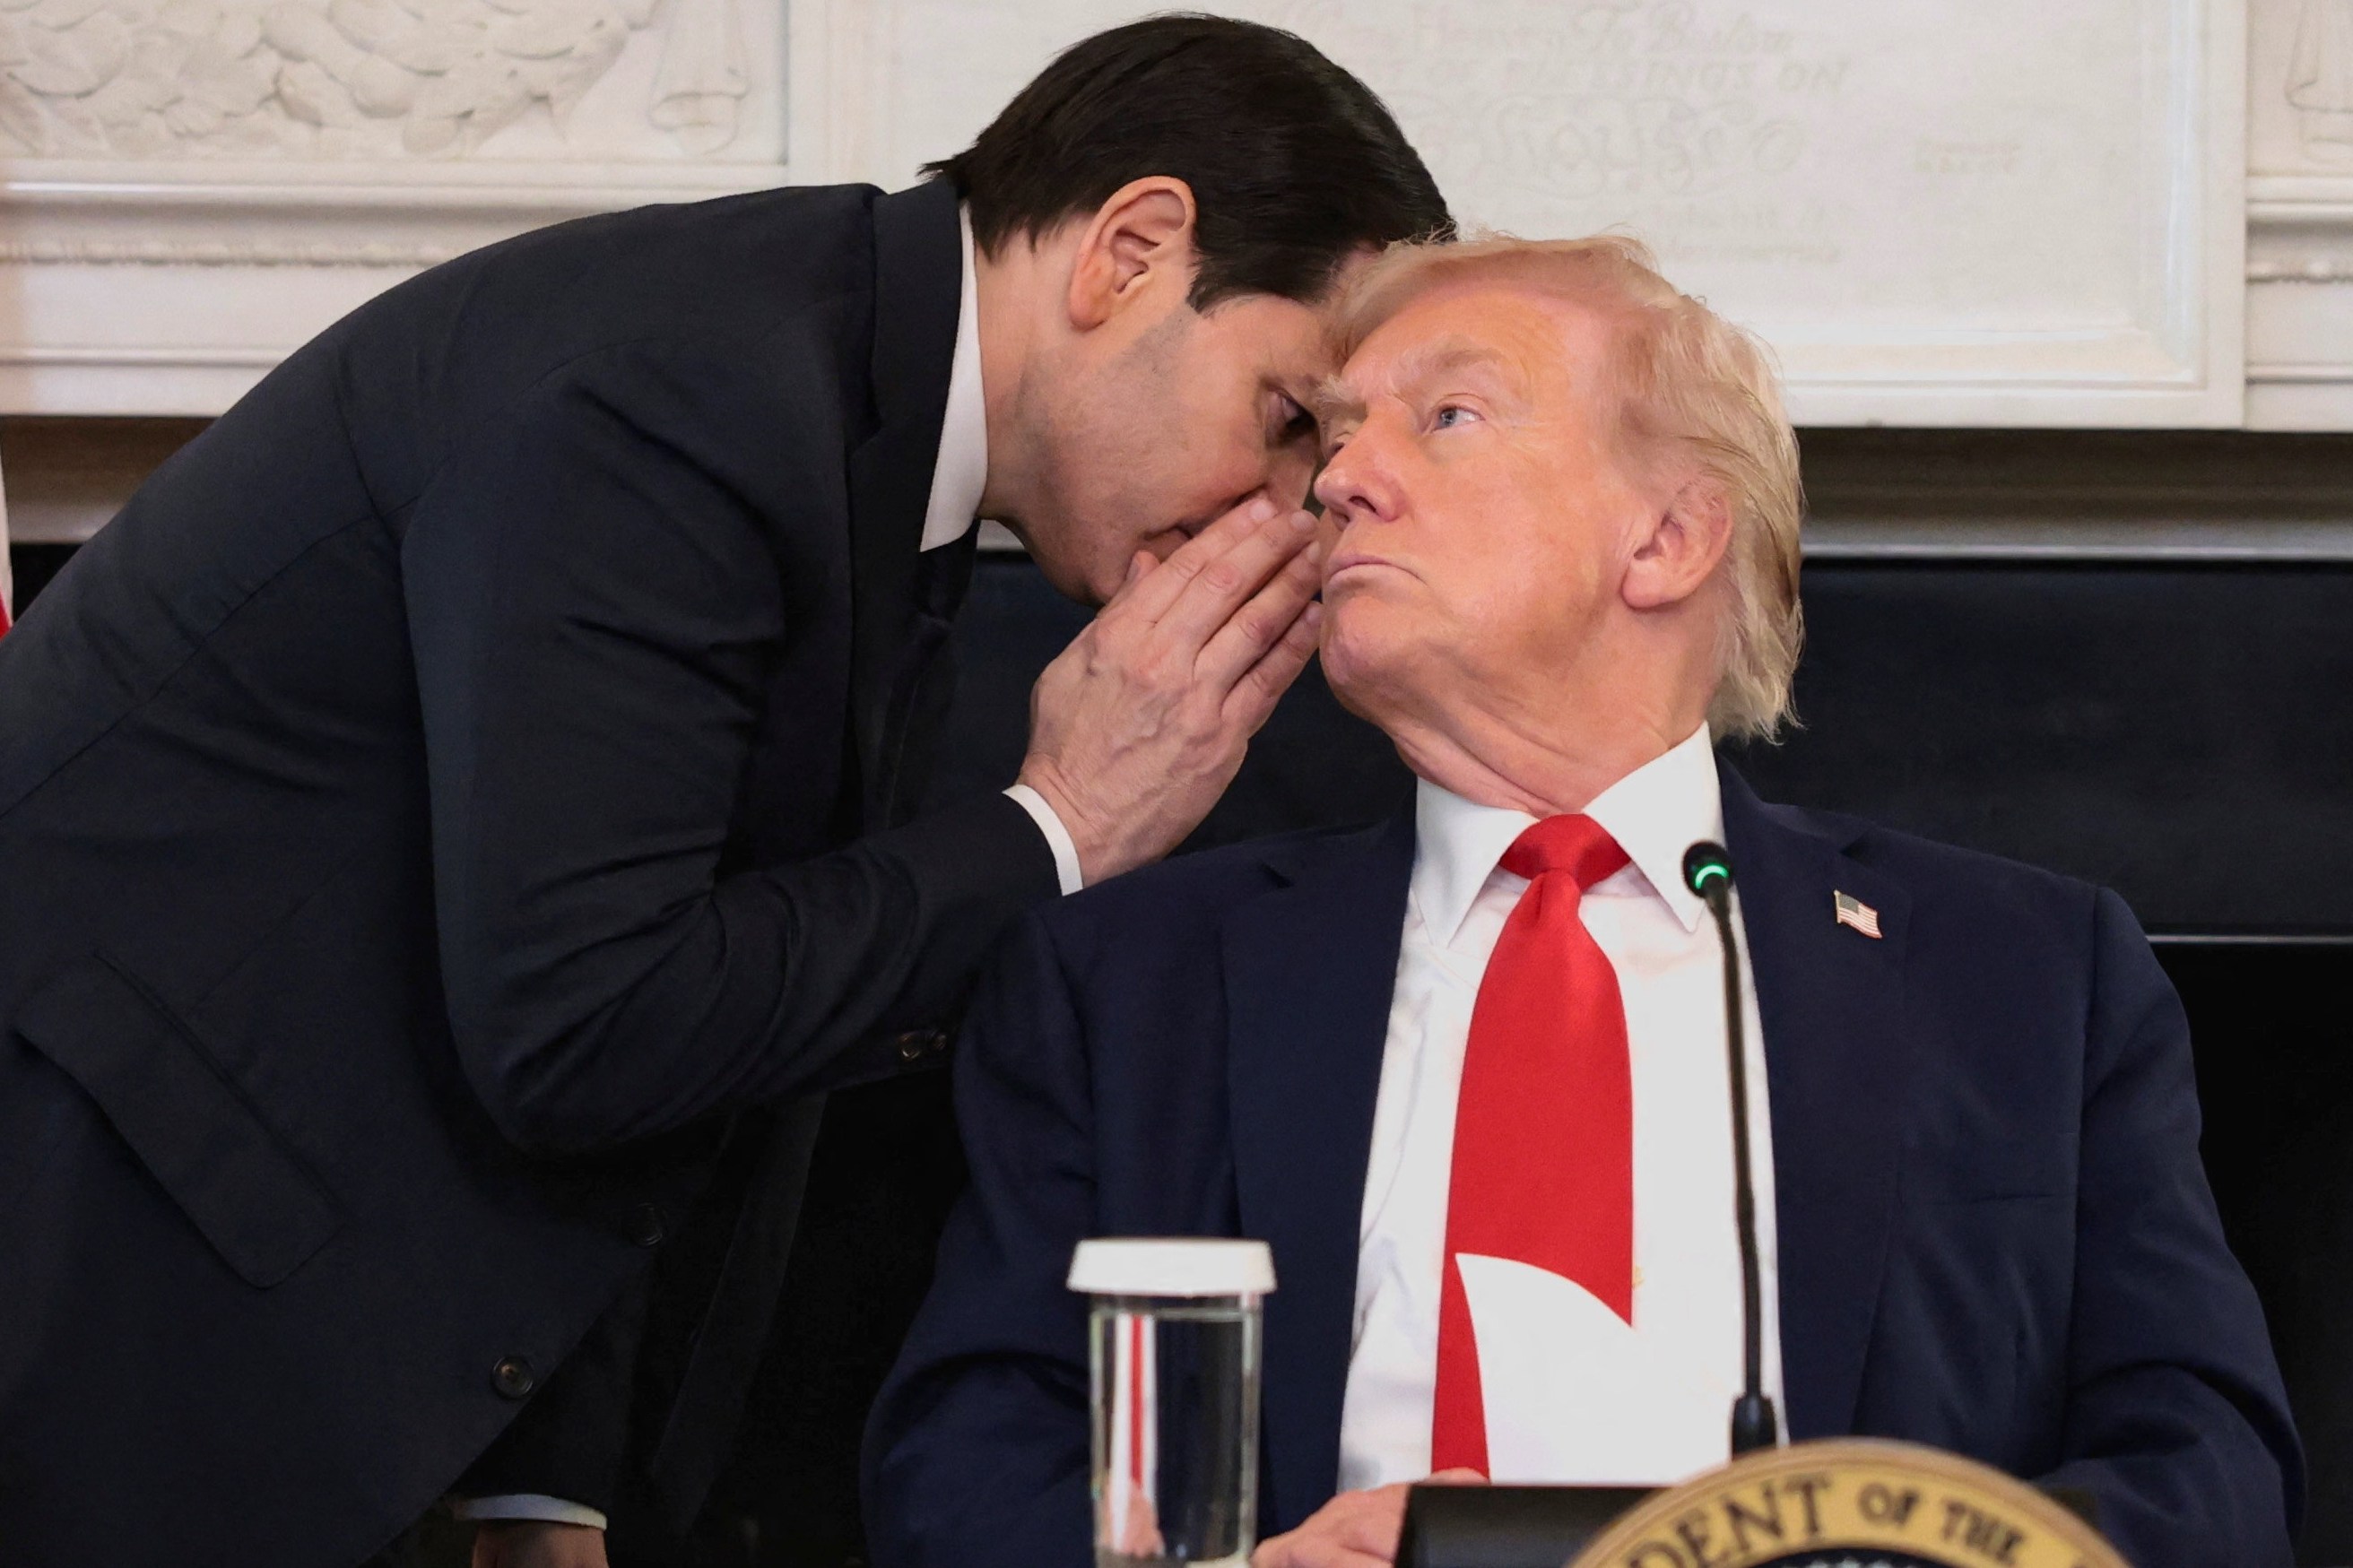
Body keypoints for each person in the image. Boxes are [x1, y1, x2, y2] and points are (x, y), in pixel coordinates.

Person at [0, 18, 1451, 1568]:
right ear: (1132, 251)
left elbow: (674, 948)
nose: (1287, 513)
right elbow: (584, 1018)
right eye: (1286, 421)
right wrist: (1059, 826)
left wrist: (543, 1485)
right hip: (108, 1317)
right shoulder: (684, 392)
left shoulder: (850, 388)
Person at [863, 235, 2304, 1568]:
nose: (1343, 479)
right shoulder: (1130, 979)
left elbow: (2209, 1470)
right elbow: (957, 1472)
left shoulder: (2027, 974)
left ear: (1666, 539)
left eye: (1447, 417)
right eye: (1341, 434)